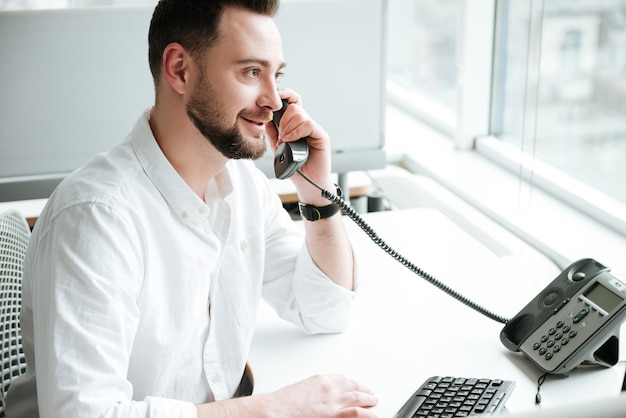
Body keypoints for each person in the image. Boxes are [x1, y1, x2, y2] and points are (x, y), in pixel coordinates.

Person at [5, 0, 379, 416]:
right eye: (252, 72)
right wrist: (277, 409)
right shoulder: (96, 217)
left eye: (278, 76)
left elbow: (324, 310)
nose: (274, 100)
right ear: (180, 69)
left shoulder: (244, 189)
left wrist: (318, 194)